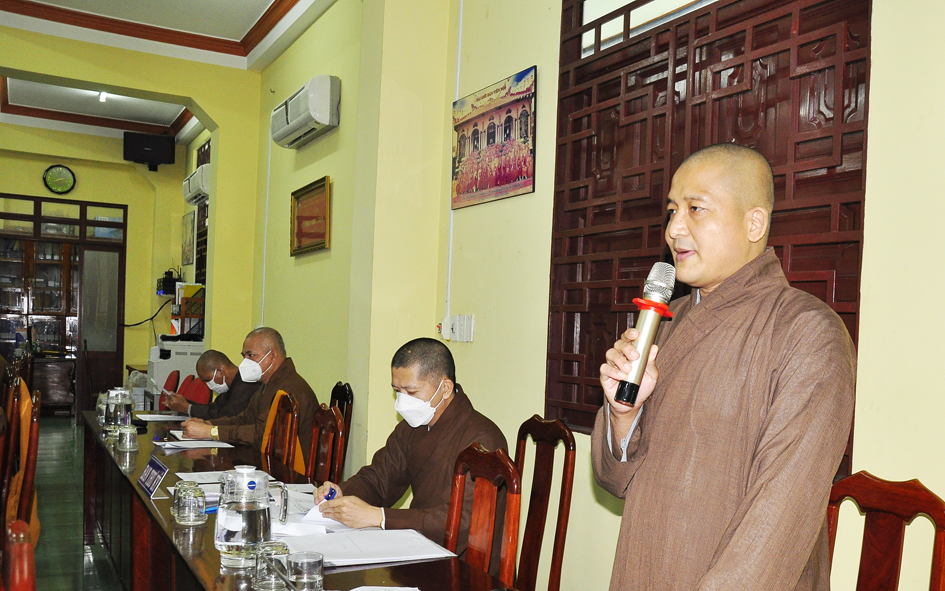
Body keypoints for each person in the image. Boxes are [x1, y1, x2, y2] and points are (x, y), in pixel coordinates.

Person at [594, 143, 856, 591]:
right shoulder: (664, 324)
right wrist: (623, 415)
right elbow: (614, 480)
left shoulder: (808, 332)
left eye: (695, 209)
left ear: (754, 223)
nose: (674, 229)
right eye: (672, 211)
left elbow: (778, 520)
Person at [313, 338, 507, 568]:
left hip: (467, 567)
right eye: (397, 391)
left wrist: (379, 517)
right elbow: (380, 478)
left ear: (445, 388)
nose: (402, 402)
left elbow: (467, 521)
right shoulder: (411, 427)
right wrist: (342, 492)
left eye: (411, 391)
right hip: (421, 547)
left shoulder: (483, 440)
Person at [182, 327, 319, 465]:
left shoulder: (289, 389)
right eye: (244, 356)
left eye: (251, 355)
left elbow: (265, 436)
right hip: (270, 462)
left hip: (290, 471)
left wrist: (212, 432)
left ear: (273, 356)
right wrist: (209, 424)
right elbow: (245, 419)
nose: (245, 363)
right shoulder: (268, 384)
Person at [166, 349, 260, 419]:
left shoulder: (247, 385)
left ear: (220, 371)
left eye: (208, 380)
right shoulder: (231, 386)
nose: (208, 385)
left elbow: (226, 418)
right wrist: (183, 404)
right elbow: (213, 408)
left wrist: (188, 408)